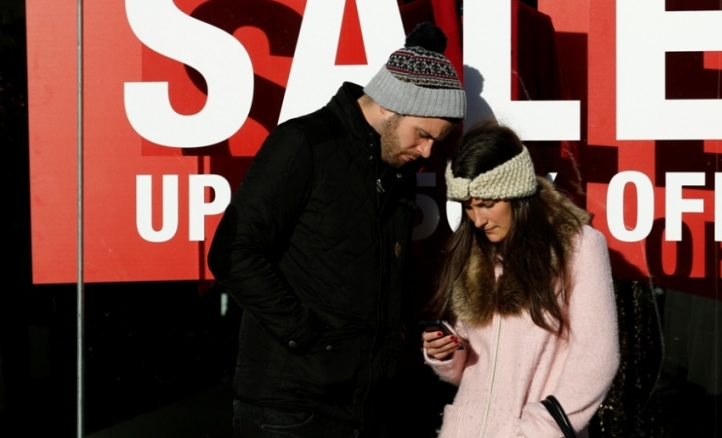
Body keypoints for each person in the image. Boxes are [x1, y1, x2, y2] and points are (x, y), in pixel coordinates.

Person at [208, 23, 465, 438]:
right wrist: (308, 337)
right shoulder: (304, 143)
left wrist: (409, 334)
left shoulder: (396, 169)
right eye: (422, 135)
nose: (427, 152)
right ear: (388, 105)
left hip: (364, 407)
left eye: (436, 141)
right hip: (289, 409)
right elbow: (234, 252)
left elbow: (368, 280)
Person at [422, 121, 619, 438]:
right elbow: (477, 362)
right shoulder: (478, 251)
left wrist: (537, 430)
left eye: (487, 204)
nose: (478, 219)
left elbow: (597, 358)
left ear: (517, 194)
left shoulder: (578, 247)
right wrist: (448, 349)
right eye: (469, 207)